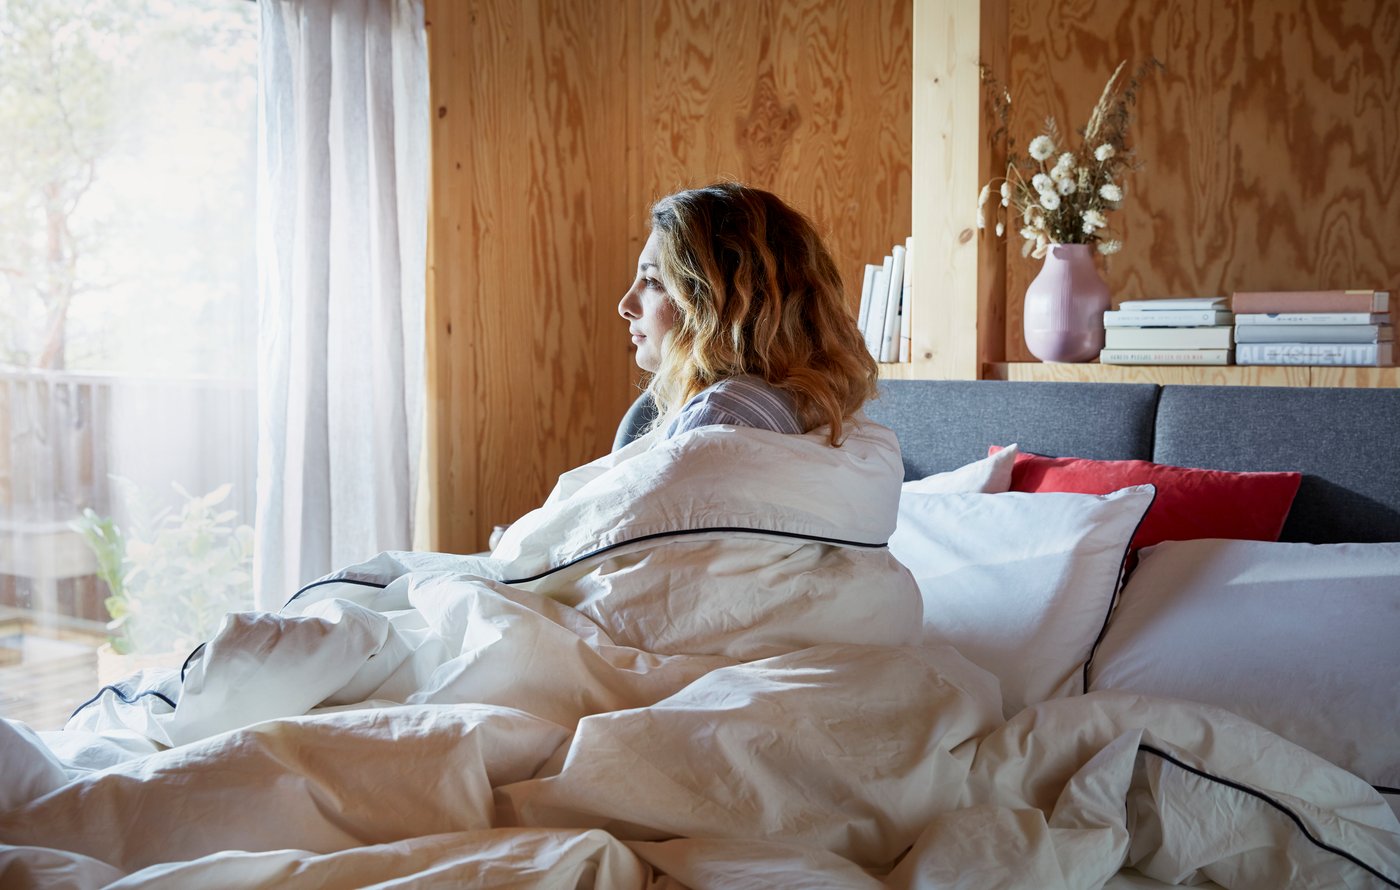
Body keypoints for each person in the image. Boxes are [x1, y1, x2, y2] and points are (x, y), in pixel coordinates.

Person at [617, 182, 879, 447]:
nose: (624, 306)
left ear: (723, 301)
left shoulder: (721, 415)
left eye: (652, 281)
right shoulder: (808, 404)